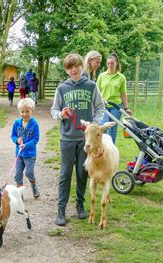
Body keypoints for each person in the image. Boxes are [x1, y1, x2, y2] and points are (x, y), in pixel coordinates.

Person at [51, 53, 105, 226]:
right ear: (67, 70)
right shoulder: (62, 88)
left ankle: (80, 207)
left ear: (82, 67)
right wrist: (61, 114)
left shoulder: (91, 86)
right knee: (66, 174)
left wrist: (95, 124)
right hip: (67, 138)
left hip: (85, 140)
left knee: (82, 173)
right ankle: (61, 210)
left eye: (77, 66)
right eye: (70, 67)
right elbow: (54, 111)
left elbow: (100, 106)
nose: (74, 70)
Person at [96, 52, 132, 144]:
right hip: (103, 106)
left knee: (112, 130)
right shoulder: (102, 76)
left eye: (112, 63)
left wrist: (126, 108)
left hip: (116, 107)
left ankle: (111, 151)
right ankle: (101, 148)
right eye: (108, 63)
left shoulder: (121, 77)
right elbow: (97, 92)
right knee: (103, 127)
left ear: (116, 64)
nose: (110, 65)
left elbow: (123, 93)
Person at [11, 98, 40, 198]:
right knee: (17, 175)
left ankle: (34, 186)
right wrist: (17, 140)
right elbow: (13, 135)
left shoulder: (34, 124)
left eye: (27, 111)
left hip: (30, 154)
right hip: (19, 154)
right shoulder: (16, 123)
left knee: (29, 173)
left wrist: (26, 145)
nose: (25, 114)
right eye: (22, 112)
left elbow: (36, 139)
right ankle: (20, 193)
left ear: (32, 111)